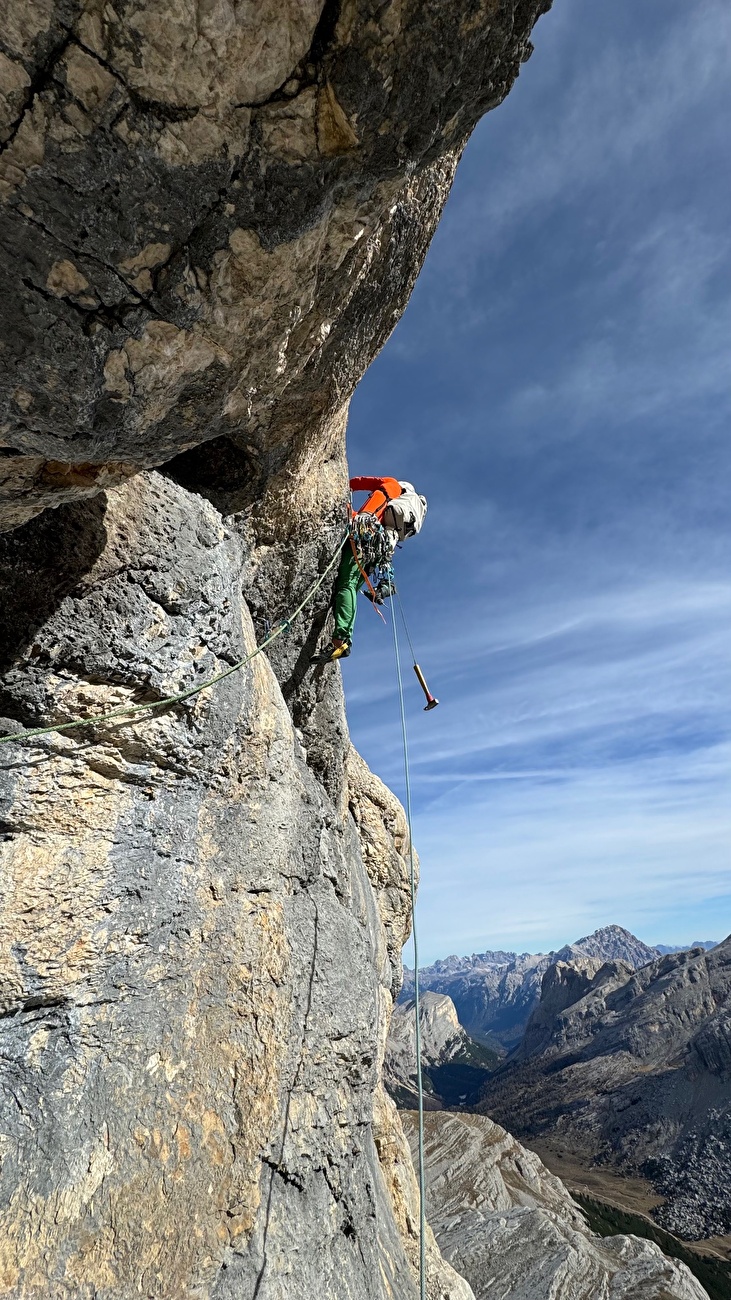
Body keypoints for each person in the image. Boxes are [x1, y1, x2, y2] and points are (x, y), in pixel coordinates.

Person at [313, 476, 427, 663]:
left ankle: (341, 639)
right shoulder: (402, 518)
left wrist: (342, 482)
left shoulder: (390, 485)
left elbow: (358, 482)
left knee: (346, 584)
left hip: (364, 536)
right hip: (377, 549)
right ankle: (343, 637)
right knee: (352, 587)